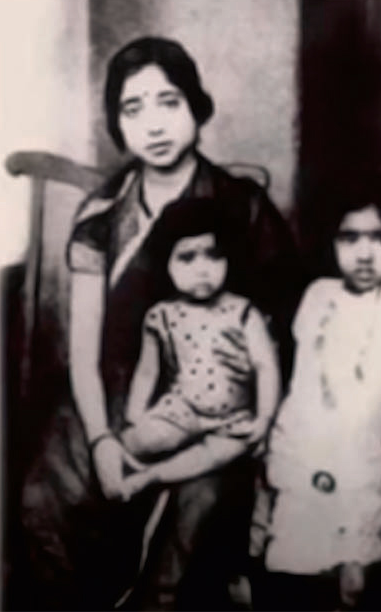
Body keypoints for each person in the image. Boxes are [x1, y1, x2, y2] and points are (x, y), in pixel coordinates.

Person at [17, 36, 301, 610]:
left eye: (169, 102)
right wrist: (101, 439)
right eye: (133, 108)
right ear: (118, 125)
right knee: (44, 498)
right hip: (114, 389)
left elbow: (283, 328)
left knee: (196, 515)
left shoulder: (241, 206)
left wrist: (251, 417)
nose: (153, 124)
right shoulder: (101, 215)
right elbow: (84, 349)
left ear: (196, 106)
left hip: (220, 399)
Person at [249, 173, 381, 611]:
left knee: (363, 563)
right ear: (331, 241)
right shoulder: (318, 296)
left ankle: (354, 577)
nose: (364, 253)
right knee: (297, 555)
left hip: (365, 447)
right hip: (307, 441)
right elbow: (301, 376)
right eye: (349, 238)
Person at [117, 197, 280, 497]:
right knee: (146, 439)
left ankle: (154, 476)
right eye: (187, 258)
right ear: (166, 264)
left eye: (214, 256)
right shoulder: (161, 315)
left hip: (233, 418)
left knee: (226, 450)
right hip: (183, 410)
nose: (202, 269)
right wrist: (135, 416)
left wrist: (265, 419)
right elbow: (147, 371)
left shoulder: (243, 312)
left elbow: (266, 366)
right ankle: (127, 461)